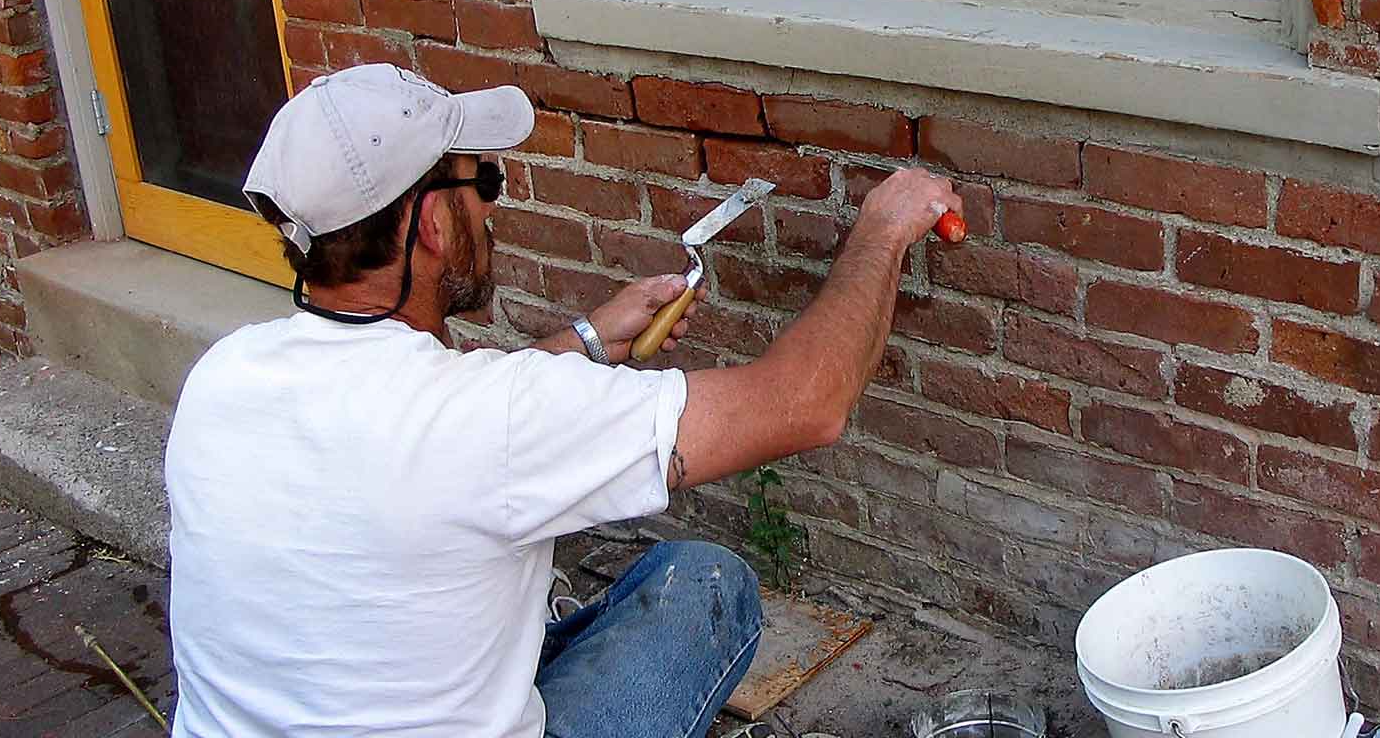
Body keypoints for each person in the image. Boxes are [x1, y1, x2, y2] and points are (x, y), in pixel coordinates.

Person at [162, 63, 963, 738]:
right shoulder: (499, 420)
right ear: (433, 222)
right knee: (706, 586)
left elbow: (436, 428)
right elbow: (806, 403)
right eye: (484, 181)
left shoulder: (223, 377)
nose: (492, 205)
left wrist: (586, 339)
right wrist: (883, 230)